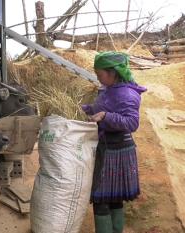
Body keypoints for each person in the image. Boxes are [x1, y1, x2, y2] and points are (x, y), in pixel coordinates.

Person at [82, 51, 146, 233]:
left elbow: (132, 123)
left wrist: (105, 116)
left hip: (117, 151)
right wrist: (88, 109)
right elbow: (102, 108)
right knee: (112, 197)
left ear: (113, 73)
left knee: (103, 198)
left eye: (100, 75)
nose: (98, 78)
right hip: (107, 147)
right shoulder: (109, 90)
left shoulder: (127, 94)